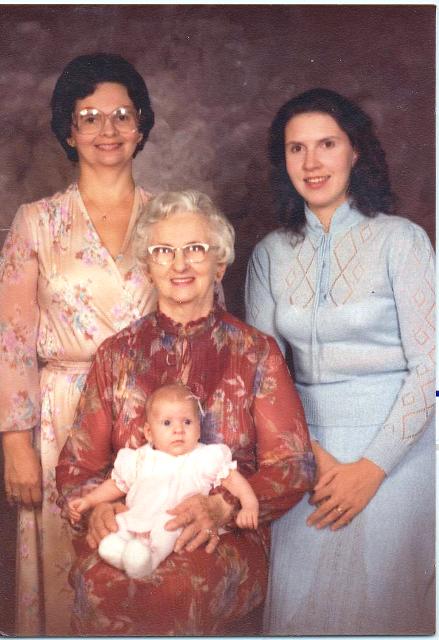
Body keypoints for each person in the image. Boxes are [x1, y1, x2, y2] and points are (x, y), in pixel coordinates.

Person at [56, 189, 315, 635]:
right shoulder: (116, 354)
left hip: (222, 535)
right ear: (147, 266)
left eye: (195, 249)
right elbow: (78, 465)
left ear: (220, 264)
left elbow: (293, 464)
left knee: (177, 588)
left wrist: (223, 506)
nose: (179, 265)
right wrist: (99, 510)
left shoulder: (255, 352)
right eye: (163, 251)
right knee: (100, 581)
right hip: (132, 524)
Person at [245, 88, 435, 635]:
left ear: (356, 151)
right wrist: (312, 459)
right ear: (283, 161)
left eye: (327, 144)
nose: (312, 162)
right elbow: (262, 378)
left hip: (402, 449)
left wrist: (372, 468)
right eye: (296, 148)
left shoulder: (403, 241)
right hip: (305, 451)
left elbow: (433, 370)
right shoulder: (269, 254)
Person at [0, 53, 157, 635]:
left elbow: (202, 330)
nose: (106, 130)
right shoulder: (36, 222)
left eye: (121, 115)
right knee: (67, 578)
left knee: (147, 569)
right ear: (68, 131)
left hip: (153, 424)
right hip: (59, 420)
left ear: (140, 126)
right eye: (89, 117)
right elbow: (11, 342)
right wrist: (15, 444)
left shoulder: (172, 218)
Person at [67, 382, 259, 579]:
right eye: (167, 423)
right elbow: (116, 485)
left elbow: (234, 481)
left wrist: (249, 505)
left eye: (187, 422)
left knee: (167, 530)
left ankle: (149, 561)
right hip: (138, 514)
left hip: (175, 519)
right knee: (120, 523)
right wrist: (89, 500)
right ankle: (117, 551)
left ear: (199, 430)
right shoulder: (138, 459)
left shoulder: (205, 458)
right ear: (149, 432)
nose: (179, 430)